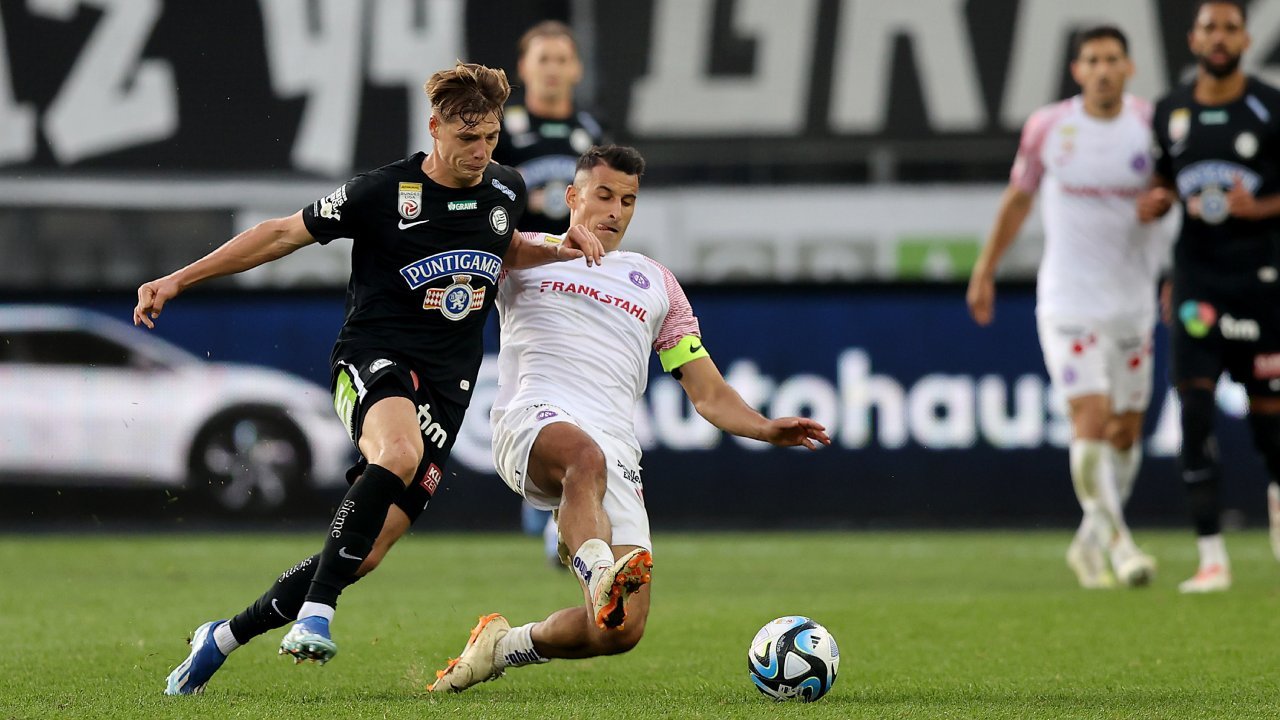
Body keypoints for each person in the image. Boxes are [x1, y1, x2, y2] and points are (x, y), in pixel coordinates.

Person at [146, 62, 604, 695]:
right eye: (467, 138)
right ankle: (316, 613)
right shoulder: (382, 192)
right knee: (397, 450)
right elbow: (280, 234)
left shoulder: (505, 189)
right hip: (372, 356)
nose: (480, 152)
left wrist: (559, 244)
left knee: (362, 553)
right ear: (435, 127)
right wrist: (178, 280)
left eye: (490, 138)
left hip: (448, 387)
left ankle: (221, 637)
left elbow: (505, 244)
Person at [427, 145, 831, 693]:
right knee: (581, 458)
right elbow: (442, 252)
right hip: (532, 420)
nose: (615, 210)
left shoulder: (656, 283)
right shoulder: (523, 253)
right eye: (603, 195)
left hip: (615, 448)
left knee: (618, 631)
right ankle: (596, 569)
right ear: (571, 197)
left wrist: (762, 427)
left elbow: (706, 390)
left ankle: (504, 646)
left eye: (628, 200)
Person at [967, 26, 1163, 589]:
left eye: (1112, 60)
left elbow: (1172, 200)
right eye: (1092, 60)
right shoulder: (1050, 127)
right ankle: (1122, 547)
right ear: (1078, 70)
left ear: (1129, 68)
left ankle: (1088, 543)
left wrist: (1167, 231)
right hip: (1068, 299)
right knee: (1092, 420)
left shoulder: (1153, 127)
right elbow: (1019, 199)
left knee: (1126, 432)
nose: (1103, 69)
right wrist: (985, 269)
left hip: (1132, 301)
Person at [1141, 0, 1280, 593]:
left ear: (1245, 38)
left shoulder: (1270, 107)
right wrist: (1156, 201)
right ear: (1193, 38)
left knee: (1270, 424)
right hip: (1197, 279)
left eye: (1228, 27)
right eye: (1208, 27)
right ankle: (1211, 557)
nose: (1218, 37)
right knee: (1194, 410)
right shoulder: (1170, 111)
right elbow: (1160, 182)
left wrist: (1265, 206)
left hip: (1263, 281)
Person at [492, 19, 609, 564]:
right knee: (534, 374)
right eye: (544, 59)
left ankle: (562, 506)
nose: (554, 69)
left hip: (578, 274)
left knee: (582, 375)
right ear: (525, 69)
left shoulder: (590, 132)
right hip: (523, 274)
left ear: (577, 69)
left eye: (563, 59)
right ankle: (542, 499)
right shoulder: (505, 131)